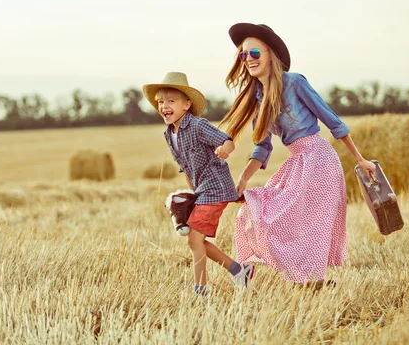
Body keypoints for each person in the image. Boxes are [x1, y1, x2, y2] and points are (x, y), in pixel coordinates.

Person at [218, 23, 376, 285]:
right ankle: (289, 278)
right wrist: (243, 179)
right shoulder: (258, 97)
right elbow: (263, 146)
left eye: (254, 53)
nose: (248, 60)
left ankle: (310, 281)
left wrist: (359, 159)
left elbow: (332, 121)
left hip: (319, 160)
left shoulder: (295, 83)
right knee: (256, 212)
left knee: (304, 225)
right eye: (243, 55)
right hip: (297, 162)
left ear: (271, 54)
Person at [142, 72, 253, 296]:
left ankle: (200, 292)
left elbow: (227, 140)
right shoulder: (169, 133)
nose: (164, 106)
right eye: (161, 102)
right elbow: (185, 167)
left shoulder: (198, 125)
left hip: (216, 187)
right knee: (196, 242)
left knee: (194, 240)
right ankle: (239, 270)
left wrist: (224, 150)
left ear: (187, 104)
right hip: (202, 190)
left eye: (171, 101)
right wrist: (193, 195)